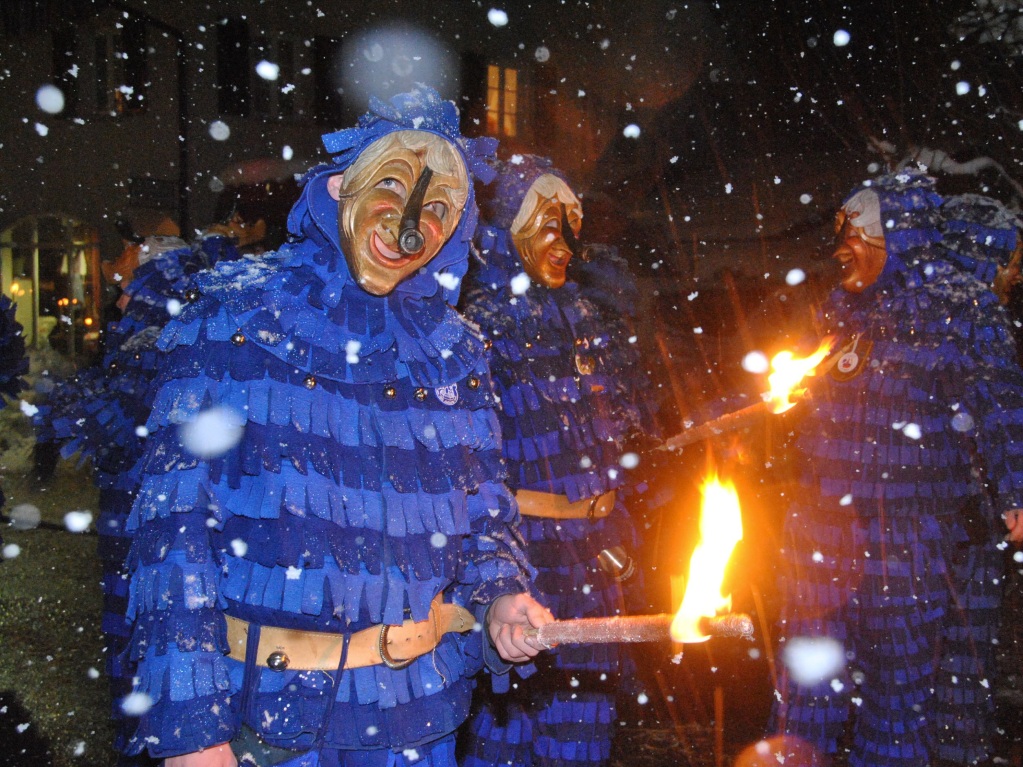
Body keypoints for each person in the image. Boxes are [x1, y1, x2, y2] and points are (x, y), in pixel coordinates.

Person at [117, 86, 550, 767]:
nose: (411, 227)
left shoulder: (455, 349)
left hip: (417, 719)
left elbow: (483, 515)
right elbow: (174, 541)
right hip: (265, 722)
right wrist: (193, 733)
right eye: (392, 186)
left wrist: (501, 595)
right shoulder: (233, 321)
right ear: (340, 186)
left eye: (437, 208)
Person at [768, 169, 1023, 767]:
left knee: (896, 701)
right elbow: (794, 403)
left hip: (907, 541)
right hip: (819, 538)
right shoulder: (838, 315)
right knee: (804, 699)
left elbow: (1002, 406)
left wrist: (1018, 487)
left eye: (853, 233)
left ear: (899, 236)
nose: (838, 248)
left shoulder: (963, 312)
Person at [457, 155, 644, 767]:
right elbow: (469, 463)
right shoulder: (479, 328)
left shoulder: (590, 322)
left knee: (587, 726)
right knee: (516, 723)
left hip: (598, 551)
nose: (562, 244)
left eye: (568, 226)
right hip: (527, 553)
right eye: (545, 226)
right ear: (507, 231)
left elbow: (629, 427)